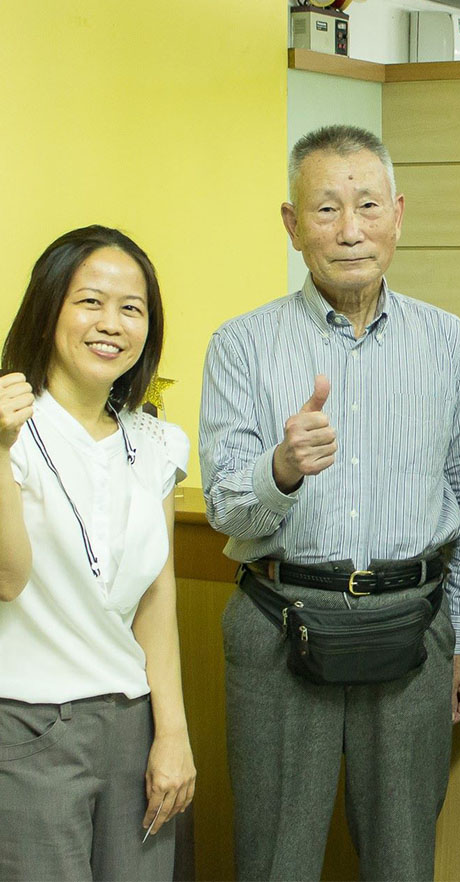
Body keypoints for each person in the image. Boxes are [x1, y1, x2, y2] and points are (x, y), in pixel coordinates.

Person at [199, 124, 460, 881]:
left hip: (414, 626)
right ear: (293, 224)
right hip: (278, 621)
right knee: (275, 860)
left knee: (404, 860)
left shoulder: (448, 342)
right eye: (326, 208)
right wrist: (280, 470)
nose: (350, 229)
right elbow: (226, 510)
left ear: (398, 214)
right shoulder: (242, 344)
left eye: (367, 205)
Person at [0, 226, 195, 881]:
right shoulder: (11, 428)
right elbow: (7, 578)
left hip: (134, 724)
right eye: (90, 302)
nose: (111, 323)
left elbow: (158, 596)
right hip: (28, 727)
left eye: (131, 308)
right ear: (47, 309)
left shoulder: (155, 442)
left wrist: (172, 734)